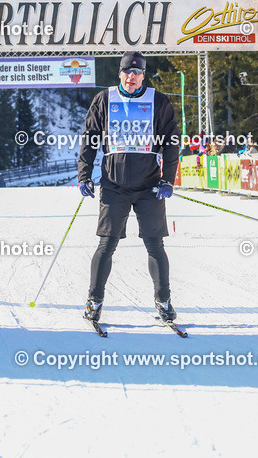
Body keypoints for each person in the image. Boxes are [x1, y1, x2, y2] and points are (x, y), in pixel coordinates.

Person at [77, 51, 180, 324]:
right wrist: (84, 174)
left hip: (149, 186)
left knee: (154, 245)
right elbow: (90, 139)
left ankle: (164, 300)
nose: (132, 77)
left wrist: (168, 179)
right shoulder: (104, 99)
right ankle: (94, 301)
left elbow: (171, 142)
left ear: (143, 75)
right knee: (106, 244)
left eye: (137, 73)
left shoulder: (158, 100)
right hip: (114, 185)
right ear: (119, 73)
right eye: (127, 72)